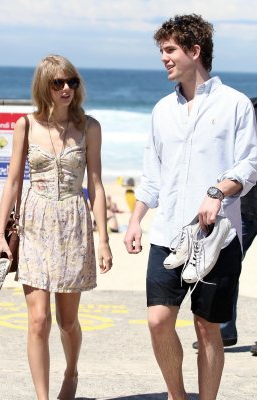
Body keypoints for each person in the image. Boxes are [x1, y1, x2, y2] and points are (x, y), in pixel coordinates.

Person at [124, 14, 257, 400]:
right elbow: (152, 176)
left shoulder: (235, 104)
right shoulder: (161, 110)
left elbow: (249, 166)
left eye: (170, 50)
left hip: (217, 238)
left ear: (194, 51)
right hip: (167, 235)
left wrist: (216, 192)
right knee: (158, 320)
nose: (164, 58)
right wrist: (136, 219)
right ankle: (178, 396)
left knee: (206, 326)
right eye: (161, 51)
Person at [0, 55, 113, 400]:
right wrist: (0, 236)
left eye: (71, 82)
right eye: (57, 83)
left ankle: (71, 372)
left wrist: (103, 239)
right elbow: (12, 182)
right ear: (44, 86)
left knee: (67, 321)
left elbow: (97, 184)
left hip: (73, 223)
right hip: (34, 224)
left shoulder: (90, 127)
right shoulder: (25, 125)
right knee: (38, 320)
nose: (66, 89)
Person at [192, 98, 257, 351]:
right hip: (245, 205)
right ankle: (223, 329)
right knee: (226, 266)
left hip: (245, 204)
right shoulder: (246, 109)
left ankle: (223, 329)